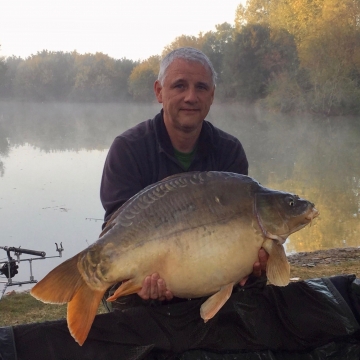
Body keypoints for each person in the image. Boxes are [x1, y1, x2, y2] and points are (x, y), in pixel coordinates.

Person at [99, 47, 268, 305]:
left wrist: (251, 263)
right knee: (120, 292)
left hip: (207, 276)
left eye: (201, 87)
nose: (191, 96)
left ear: (211, 95)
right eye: (179, 86)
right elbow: (115, 231)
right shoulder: (128, 149)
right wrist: (139, 282)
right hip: (143, 282)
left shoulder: (229, 151)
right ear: (159, 91)